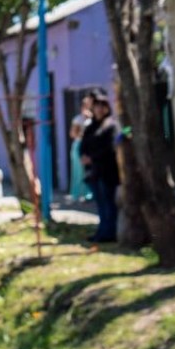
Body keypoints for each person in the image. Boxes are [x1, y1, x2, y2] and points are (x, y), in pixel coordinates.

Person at [79, 93, 121, 242]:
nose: (99, 109)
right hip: (93, 172)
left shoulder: (111, 125)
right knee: (100, 204)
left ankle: (110, 233)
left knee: (108, 203)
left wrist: (93, 158)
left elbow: (110, 148)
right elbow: (83, 144)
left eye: (102, 106)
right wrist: (84, 156)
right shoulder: (90, 127)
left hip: (107, 171)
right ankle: (102, 232)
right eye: (97, 106)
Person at [68, 93, 94, 202]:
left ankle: (89, 193)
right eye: (86, 105)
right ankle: (76, 194)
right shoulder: (77, 119)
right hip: (79, 145)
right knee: (78, 171)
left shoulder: (93, 119)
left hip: (90, 147)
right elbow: (72, 134)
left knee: (89, 171)